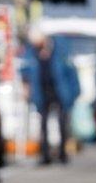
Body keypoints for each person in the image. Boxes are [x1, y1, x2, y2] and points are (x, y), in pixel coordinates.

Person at [22, 29, 80, 165]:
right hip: (42, 92)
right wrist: (26, 88)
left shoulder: (60, 50)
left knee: (62, 124)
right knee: (43, 125)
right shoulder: (31, 53)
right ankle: (45, 155)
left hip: (59, 92)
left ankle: (62, 155)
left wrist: (75, 91)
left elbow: (70, 72)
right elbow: (25, 72)